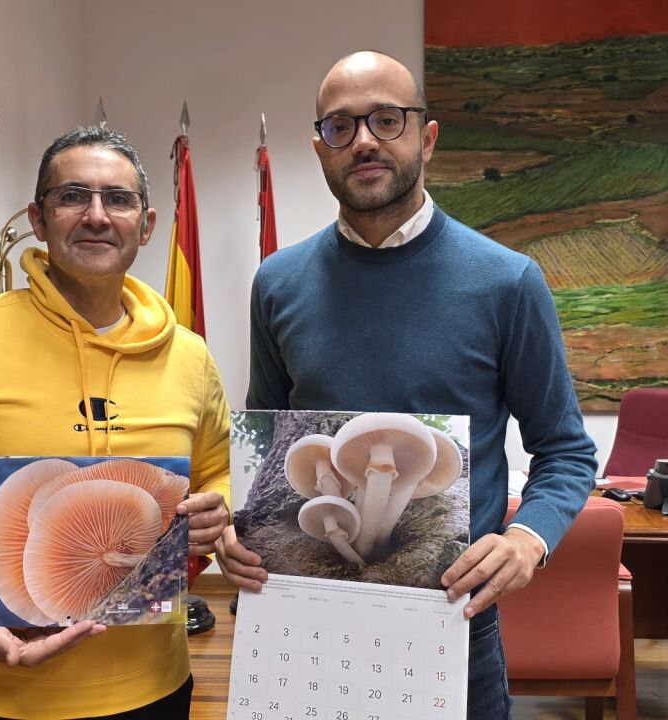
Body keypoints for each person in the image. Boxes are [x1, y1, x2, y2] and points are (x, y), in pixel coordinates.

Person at [215, 51, 597, 719]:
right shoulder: (277, 283)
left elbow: (565, 451)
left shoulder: (507, 282)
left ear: (427, 137)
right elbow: (265, 440)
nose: (364, 140)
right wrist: (236, 530)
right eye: (340, 126)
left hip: (450, 631)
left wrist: (527, 540)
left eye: (386, 120)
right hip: (305, 631)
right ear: (320, 147)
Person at [0, 125, 232, 719]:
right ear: (38, 218)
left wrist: (219, 509)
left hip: (156, 690)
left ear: (147, 224)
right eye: (72, 196)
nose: (96, 215)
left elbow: (220, 473)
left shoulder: (189, 356)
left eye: (118, 199)